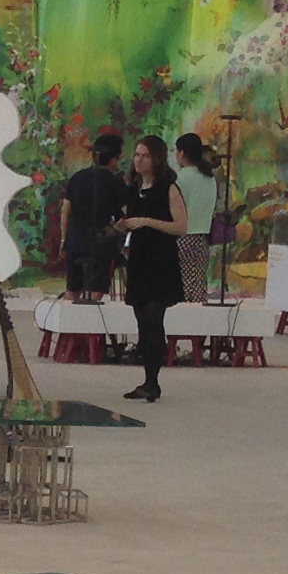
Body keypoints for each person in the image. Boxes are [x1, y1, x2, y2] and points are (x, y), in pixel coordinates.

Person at [113, 134, 188, 402]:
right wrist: (123, 226)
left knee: (155, 320)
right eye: (136, 155)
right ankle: (147, 380)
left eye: (145, 155)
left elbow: (180, 227)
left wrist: (146, 221)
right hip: (139, 260)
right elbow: (129, 219)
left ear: (157, 158)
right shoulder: (133, 189)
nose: (139, 160)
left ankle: (153, 381)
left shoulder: (169, 188)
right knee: (142, 322)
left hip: (161, 261)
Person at [59, 130, 126, 298]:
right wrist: (116, 230)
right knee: (98, 288)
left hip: (75, 240)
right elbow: (126, 214)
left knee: (73, 288)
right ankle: (89, 314)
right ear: (114, 159)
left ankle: (69, 315)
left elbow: (66, 210)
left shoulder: (77, 178)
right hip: (100, 243)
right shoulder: (115, 183)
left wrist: (64, 239)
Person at [173, 131, 221, 302]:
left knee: (180, 288)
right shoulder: (210, 178)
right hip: (202, 240)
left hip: (182, 239)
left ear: (182, 153)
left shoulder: (179, 178)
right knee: (198, 287)